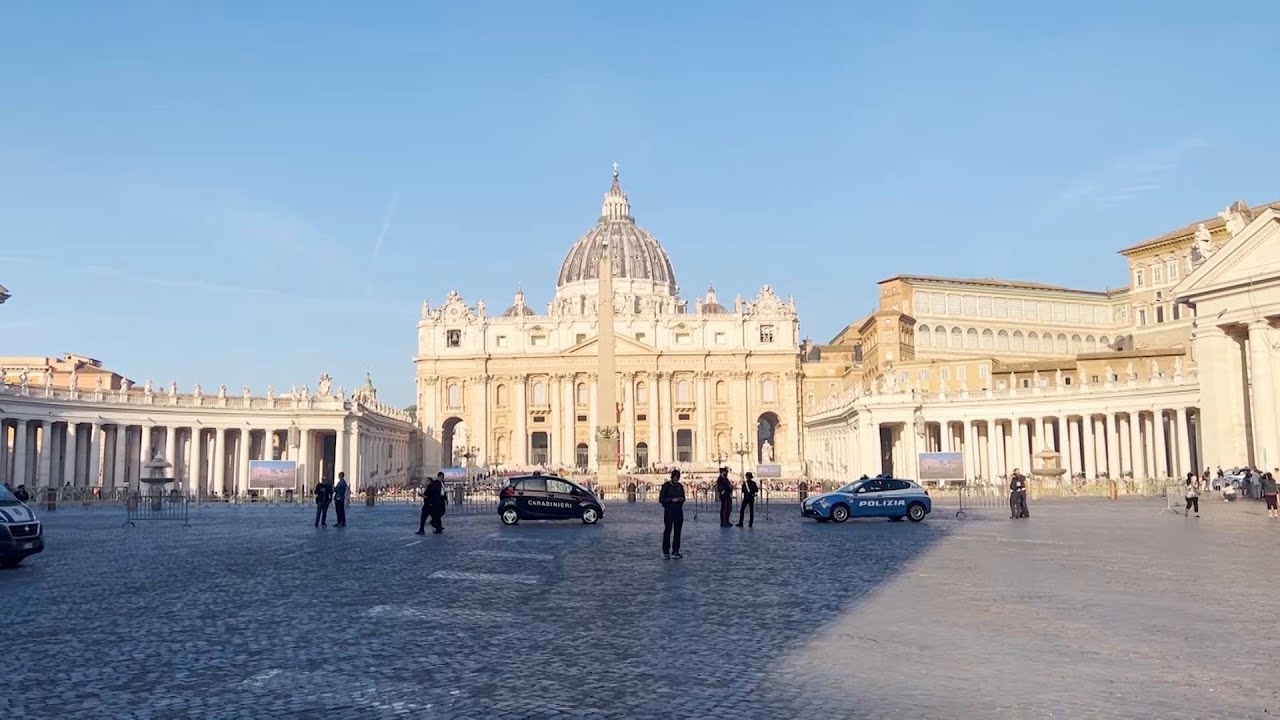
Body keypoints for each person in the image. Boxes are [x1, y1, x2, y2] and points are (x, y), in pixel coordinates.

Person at [659, 469, 685, 558]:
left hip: (678, 511)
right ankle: (665, 551)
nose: (676, 480)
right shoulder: (666, 486)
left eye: (677, 479)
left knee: (678, 532)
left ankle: (676, 550)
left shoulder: (680, 486)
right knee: (668, 531)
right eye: (675, 479)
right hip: (669, 511)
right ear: (672, 477)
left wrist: (681, 499)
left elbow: (683, 497)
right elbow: (661, 499)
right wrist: (671, 500)